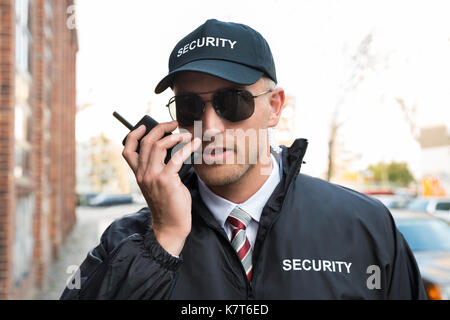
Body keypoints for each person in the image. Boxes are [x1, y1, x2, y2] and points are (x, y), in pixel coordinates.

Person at [61, 19, 426, 300]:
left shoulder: (363, 226)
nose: (210, 126)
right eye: (190, 106)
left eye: (233, 101)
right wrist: (162, 242)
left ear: (275, 107)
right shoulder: (126, 242)